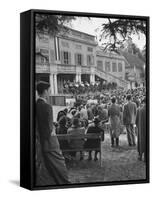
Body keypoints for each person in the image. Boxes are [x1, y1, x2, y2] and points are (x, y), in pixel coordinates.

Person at [36, 81, 70, 185]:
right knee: (60, 165)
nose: (49, 93)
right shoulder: (47, 106)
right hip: (49, 143)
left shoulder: (36, 104)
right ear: (45, 91)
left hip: (41, 141)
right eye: (49, 91)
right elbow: (49, 129)